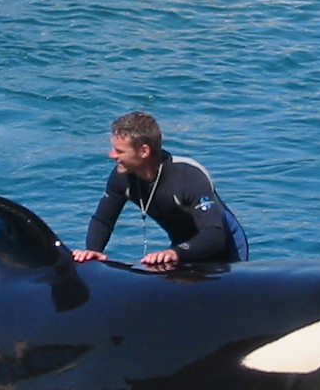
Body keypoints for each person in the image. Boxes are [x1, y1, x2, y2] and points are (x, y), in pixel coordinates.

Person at [70, 111, 247, 271]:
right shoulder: (122, 177)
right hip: (181, 247)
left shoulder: (187, 176)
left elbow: (215, 234)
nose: (112, 155)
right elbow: (103, 219)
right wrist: (93, 251)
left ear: (144, 151)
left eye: (119, 151)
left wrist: (175, 253)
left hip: (226, 247)